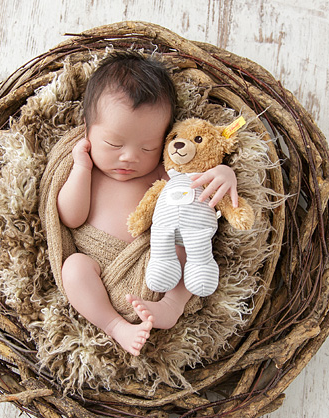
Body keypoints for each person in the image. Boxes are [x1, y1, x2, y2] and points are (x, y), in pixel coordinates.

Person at [57, 52, 239, 356]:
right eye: (114, 144)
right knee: (73, 268)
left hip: (156, 266)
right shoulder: (88, 170)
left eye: (148, 147)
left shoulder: (161, 171)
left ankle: (172, 304)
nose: (129, 157)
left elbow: (197, 180)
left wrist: (224, 172)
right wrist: (81, 169)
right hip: (99, 271)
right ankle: (115, 326)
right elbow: (69, 218)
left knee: (186, 241)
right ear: (87, 128)